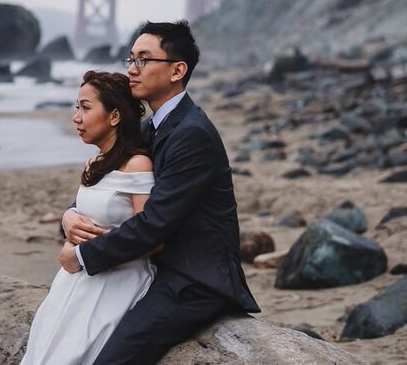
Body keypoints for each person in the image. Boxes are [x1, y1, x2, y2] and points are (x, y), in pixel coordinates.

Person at [58, 20, 260, 364]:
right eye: (131, 59)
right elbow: (110, 181)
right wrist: (70, 215)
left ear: (177, 70)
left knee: (112, 359)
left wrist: (80, 257)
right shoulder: (154, 126)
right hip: (155, 266)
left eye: (144, 60)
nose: (133, 69)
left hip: (194, 280)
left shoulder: (191, 133)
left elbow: (155, 224)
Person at [20, 70, 154, 365]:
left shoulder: (138, 164)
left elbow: (151, 238)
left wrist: (79, 253)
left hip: (118, 280)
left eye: (85, 107)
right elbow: (82, 211)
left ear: (115, 116)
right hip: (74, 280)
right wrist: (68, 219)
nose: (76, 117)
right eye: (76, 108)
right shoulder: (94, 162)